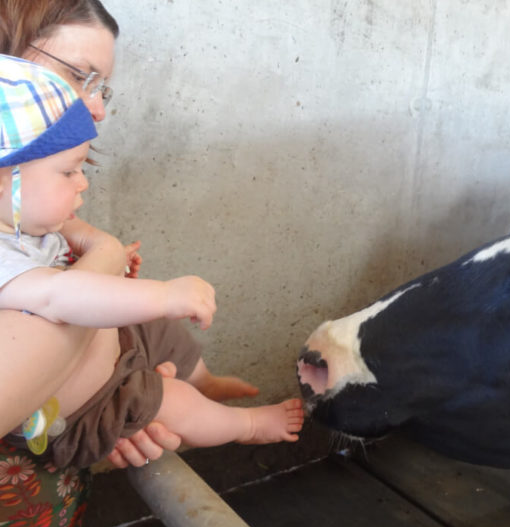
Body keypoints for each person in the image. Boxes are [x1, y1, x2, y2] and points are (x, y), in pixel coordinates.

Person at [0, 0, 258, 527]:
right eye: (81, 76)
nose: (99, 108)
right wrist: (106, 260)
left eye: (101, 86)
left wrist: (111, 408)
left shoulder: (30, 206)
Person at [0, 56, 304, 466]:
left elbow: (63, 274)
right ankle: (246, 426)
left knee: (158, 326)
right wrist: (162, 294)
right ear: (5, 182)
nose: (83, 181)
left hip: (108, 353)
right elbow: (58, 295)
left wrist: (116, 268)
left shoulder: (24, 226)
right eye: (69, 172)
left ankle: (206, 382)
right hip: (89, 407)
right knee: (173, 399)